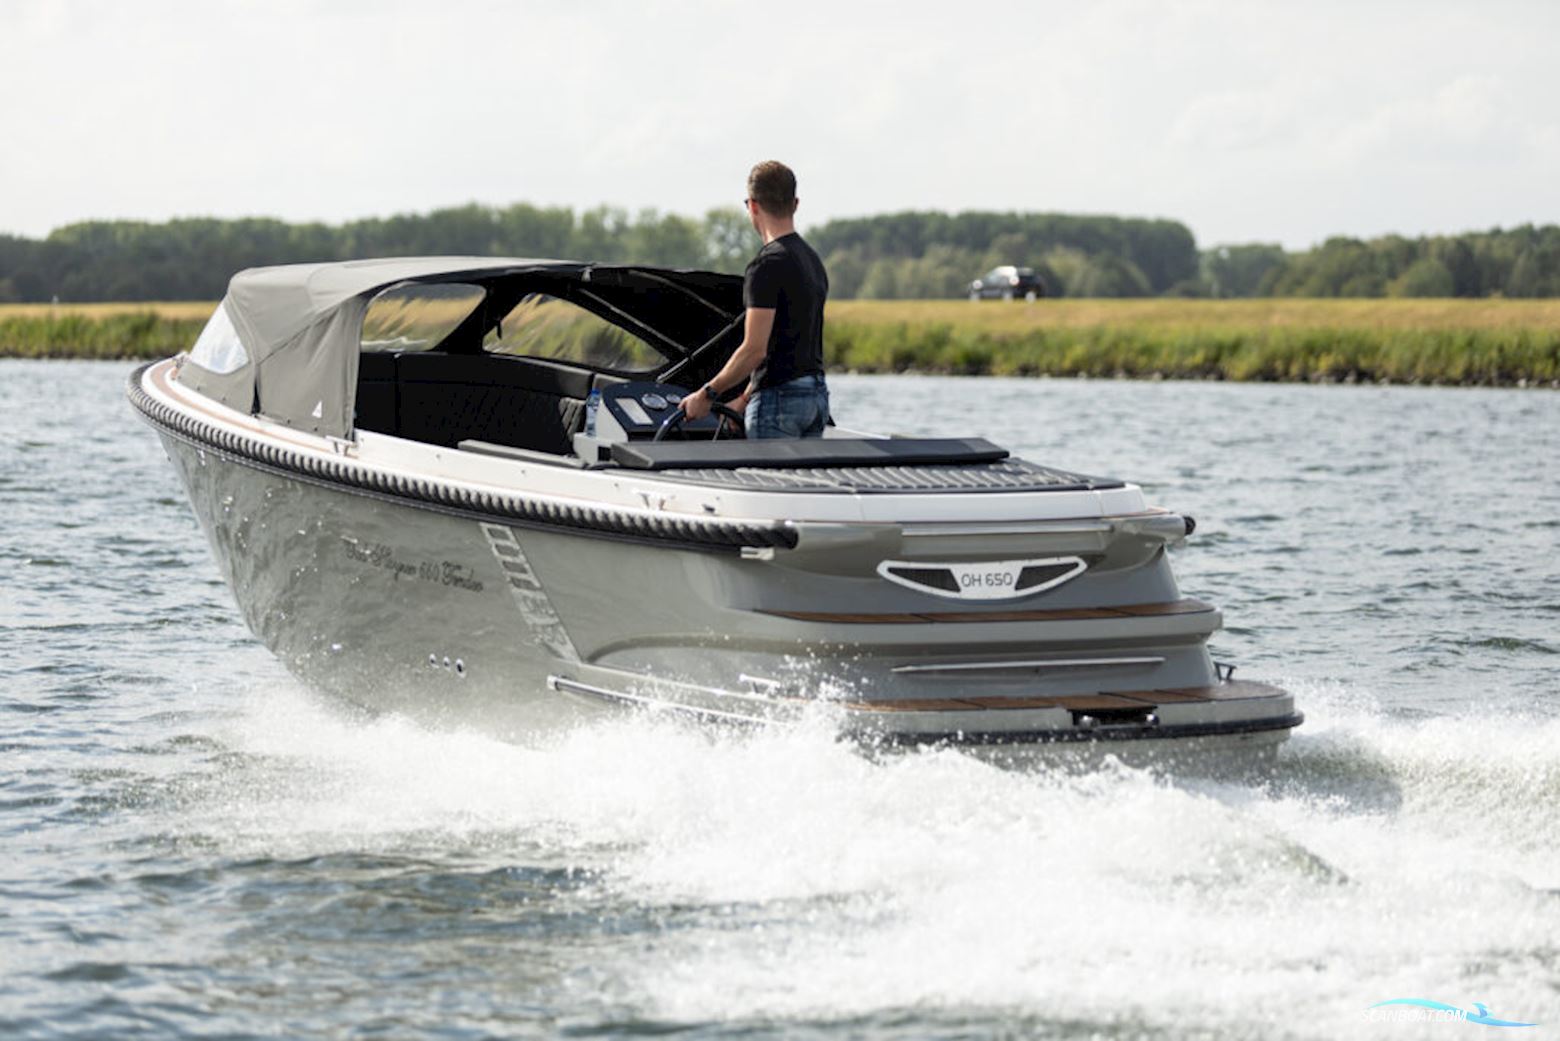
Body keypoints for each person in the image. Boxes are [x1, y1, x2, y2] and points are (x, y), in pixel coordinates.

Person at [679, 160, 830, 438]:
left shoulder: (766, 265)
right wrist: (746, 398)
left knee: (767, 481)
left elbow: (755, 350)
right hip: (816, 399)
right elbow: (787, 347)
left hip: (779, 404)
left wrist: (707, 394)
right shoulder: (812, 261)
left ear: (753, 205)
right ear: (795, 203)